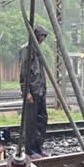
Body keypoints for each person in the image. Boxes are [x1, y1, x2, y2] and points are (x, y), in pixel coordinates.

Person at [19, 25, 49, 159]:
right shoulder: (26, 50)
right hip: (32, 91)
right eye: (41, 36)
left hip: (40, 90)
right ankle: (29, 150)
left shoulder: (38, 50)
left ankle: (38, 147)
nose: (43, 39)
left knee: (42, 119)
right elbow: (24, 73)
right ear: (36, 35)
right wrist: (26, 92)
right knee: (30, 122)